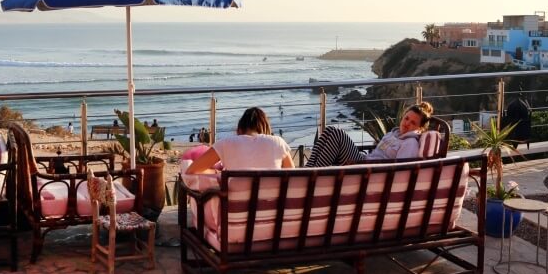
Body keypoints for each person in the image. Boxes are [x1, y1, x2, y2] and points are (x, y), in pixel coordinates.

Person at [305, 102, 434, 168]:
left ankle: (313, 175)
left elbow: (399, 170)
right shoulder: (394, 133)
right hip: (365, 160)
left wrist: (357, 162)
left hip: (367, 169)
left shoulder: (409, 144)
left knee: (336, 134)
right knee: (330, 131)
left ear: (420, 128)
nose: (407, 124)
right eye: (406, 118)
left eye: (413, 123)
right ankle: (308, 170)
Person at [186, 107, 293, 174]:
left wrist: (216, 172)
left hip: (234, 209)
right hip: (272, 208)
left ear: (240, 128)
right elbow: (293, 175)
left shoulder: (226, 143)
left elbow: (192, 170)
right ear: (266, 127)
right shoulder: (278, 142)